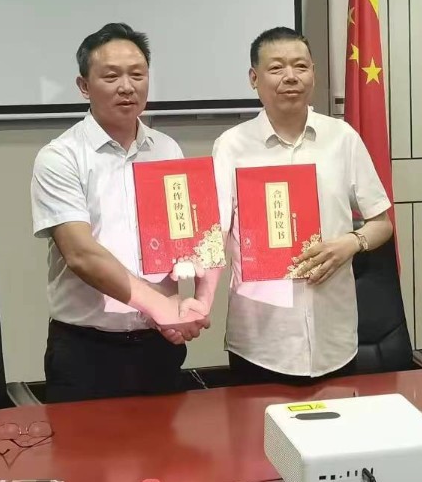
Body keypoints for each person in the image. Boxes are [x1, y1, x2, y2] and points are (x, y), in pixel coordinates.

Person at [31, 22, 217, 402]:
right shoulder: (61, 157)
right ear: (84, 86)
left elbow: (191, 240)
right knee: (83, 444)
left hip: (158, 346)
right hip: (87, 351)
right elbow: (81, 254)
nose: (127, 86)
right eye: (111, 76)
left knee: (166, 442)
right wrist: (161, 306)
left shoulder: (167, 150)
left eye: (137, 74)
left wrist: (199, 301)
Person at [212, 26, 393, 386]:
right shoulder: (231, 146)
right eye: (276, 68)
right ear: (254, 78)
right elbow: (214, 233)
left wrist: (351, 243)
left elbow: (382, 223)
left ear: (313, 73)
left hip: (334, 336)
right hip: (260, 340)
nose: (290, 77)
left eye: (300, 66)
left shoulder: (342, 138)